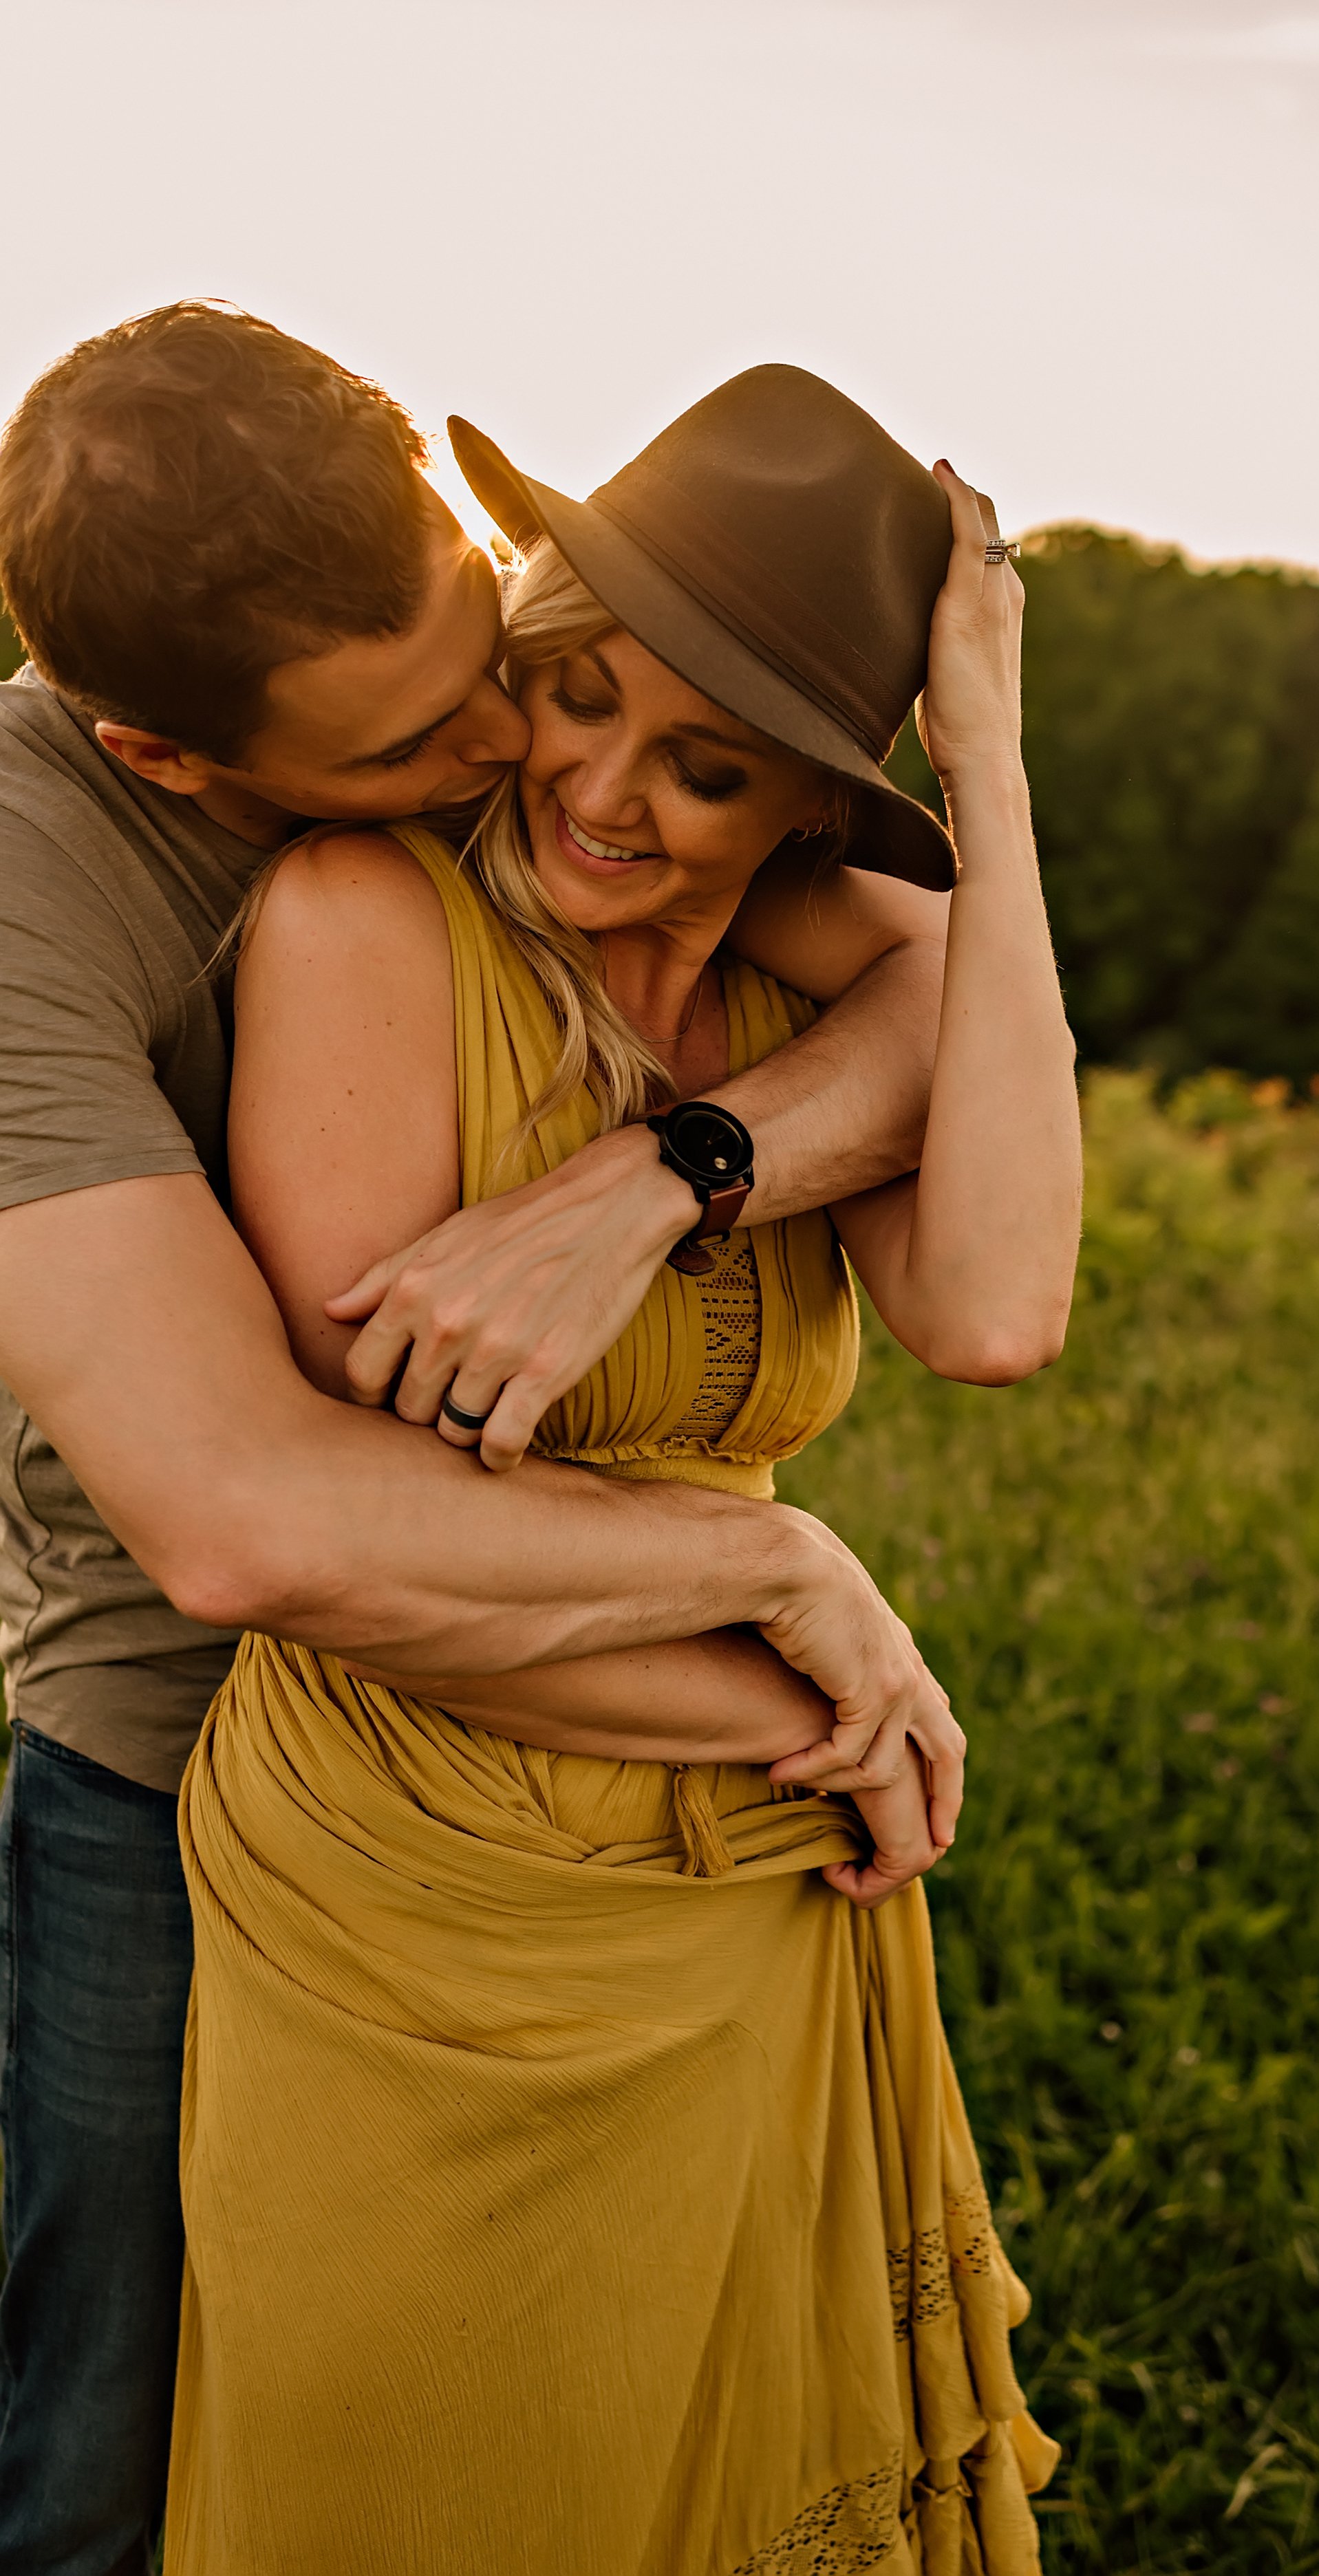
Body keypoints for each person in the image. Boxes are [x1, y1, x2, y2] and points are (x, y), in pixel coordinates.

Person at [0, 307, 971, 2576]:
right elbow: (238, 1520)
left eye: (488, 642)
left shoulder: (536, 738)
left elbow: (942, 980)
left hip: (564, 1738)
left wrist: (670, 1168)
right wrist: (776, 1572)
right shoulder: (27, 903)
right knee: (101, 2467)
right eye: (417, 727)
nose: (505, 743)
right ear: (166, 753)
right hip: (173, 1741)